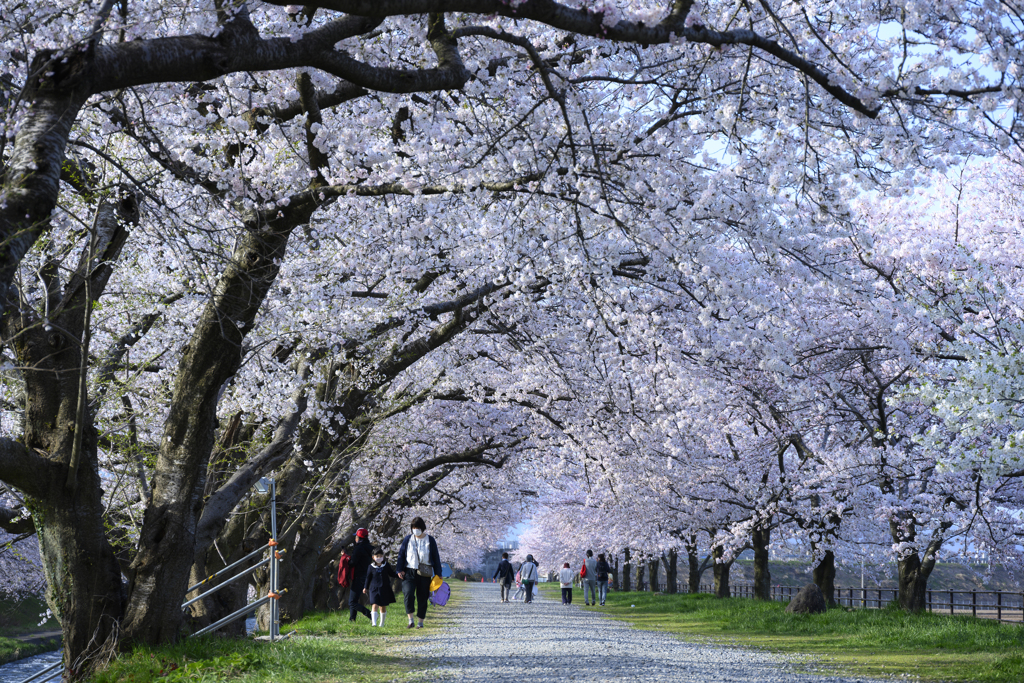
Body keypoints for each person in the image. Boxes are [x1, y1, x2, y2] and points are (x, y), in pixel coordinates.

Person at [396, 517, 443, 629]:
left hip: (425, 572)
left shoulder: (430, 540)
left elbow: (436, 558)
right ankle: (410, 620)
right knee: (408, 594)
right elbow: (401, 555)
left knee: (422, 597)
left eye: (417, 527)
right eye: (413, 528)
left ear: (423, 528)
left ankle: (420, 622)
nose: (415, 530)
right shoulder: (408, 539)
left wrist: (438, 573)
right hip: (409, 571)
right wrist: (399, 569)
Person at [363, 547, 399, 627]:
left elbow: (392, 574)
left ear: (383, 556)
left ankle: (381, 623)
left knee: (382, 606)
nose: (379, 558)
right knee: (374, 604)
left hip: (384, 588)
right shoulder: (371, 567)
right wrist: (365, 587)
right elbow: (368, 578)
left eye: (380, 556)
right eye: (377, 556)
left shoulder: (386, 565)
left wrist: (400, 575)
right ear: (373, 557)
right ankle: (374, 623)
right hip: (374, 588)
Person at [348, 528, 373, 622]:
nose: (355, 538)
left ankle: (370, 614)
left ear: (359, 537)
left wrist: (346, 559)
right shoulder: (370, 548)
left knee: (352, 602)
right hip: (366, 575)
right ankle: (352, 619)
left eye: (356, 537)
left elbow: (352, 563)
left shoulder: (358, 548)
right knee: (354, 599)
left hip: (358, 576)